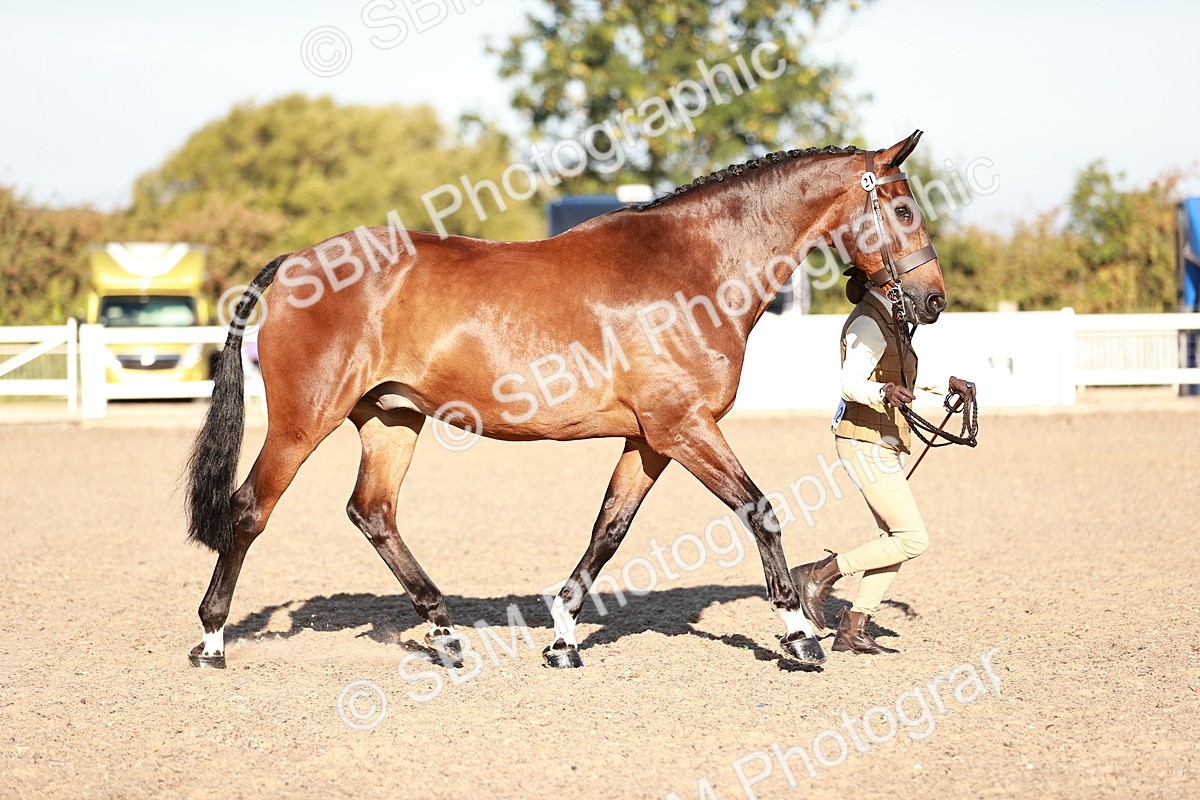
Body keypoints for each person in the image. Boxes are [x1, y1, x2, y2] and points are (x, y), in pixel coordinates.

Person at [791, 282, 974, 655]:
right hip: (864, 442)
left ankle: (854, 627)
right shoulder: (869, 323)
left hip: (883, 441)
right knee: (912, 537)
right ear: (886, 287)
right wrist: (882, 393)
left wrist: (945, 386)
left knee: (892, 539)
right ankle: (820, 573)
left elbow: (900, 376)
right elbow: (849, 383)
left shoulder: (891, 323)